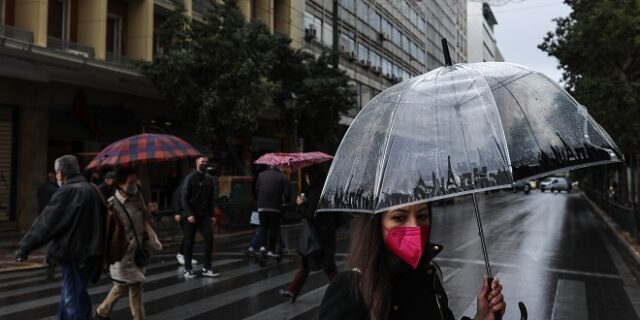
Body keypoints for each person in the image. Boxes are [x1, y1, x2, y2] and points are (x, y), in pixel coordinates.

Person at [319, 203, 506, 320]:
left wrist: (481, 317)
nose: (415, 227)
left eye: (422, 216)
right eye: (399, 217)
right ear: (376, 224)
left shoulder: (430, 274)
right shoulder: (351, 288)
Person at [15, 155, 105, 320]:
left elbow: (46, 223)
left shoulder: (68, 191)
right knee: (70, 294)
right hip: (90, 252)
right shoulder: (91, 189)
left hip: (72, 252)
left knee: (75, 299)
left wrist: (25, 247)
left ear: (60, 174)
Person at [96, 167, 162, 320]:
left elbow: (148, 219)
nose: (134, 184)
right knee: (134, 286)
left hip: (137, 250)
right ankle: (136, 317)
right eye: (130, 182)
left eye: (135, 180)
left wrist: (153, 212)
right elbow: (107, 231)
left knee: (124, 286)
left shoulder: (138, 197)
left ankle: (103, 311)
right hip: (122, 253)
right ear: (120, 184)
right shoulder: (113, 204)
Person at [280, 167, 337, 302]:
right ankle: (292, 290)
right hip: (322, 234)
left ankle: (343, 293)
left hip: (319, 236)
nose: (305, 178)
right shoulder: (324, 188)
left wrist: (300, 205)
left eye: (306, 176)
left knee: (328, 267)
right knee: (307, 264)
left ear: (312, 176)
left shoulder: (316, 191)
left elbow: (310, 215)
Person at [181, 156, 219, 278]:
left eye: (206, 162)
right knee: (189, 241)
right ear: (196, 162)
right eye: (202, 161)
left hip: (204, 215)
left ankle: (207, 267)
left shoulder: (209, 179)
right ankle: (188, 268)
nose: (205, 163)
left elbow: (211, 199)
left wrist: (212, 214)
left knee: (209, 239)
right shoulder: (190, 178)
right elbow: (184, 198)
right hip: (191, 215)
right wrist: (189, 214)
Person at [255, 165, 290, 258]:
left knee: (262, 226)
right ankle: (271, 250)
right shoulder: (283, 177)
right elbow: (287, 194)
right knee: (273, 228)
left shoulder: (261, 175)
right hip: (275, 207)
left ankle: (262, 247)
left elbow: (256, 190)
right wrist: (286, 201)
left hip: (261, 206)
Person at [37, 172, 59, 281]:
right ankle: (50, 264)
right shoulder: (55, 189)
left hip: (42, 215)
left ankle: (49, 262)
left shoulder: (42, 187)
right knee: (52, 242)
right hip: (52, 217)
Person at [172, 177, 198, 266]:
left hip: (190, 214)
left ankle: (187, 256)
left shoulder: (191, 189)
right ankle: (182, 255)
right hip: (184, 215)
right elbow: (176, 200)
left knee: (190, 236)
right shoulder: (181, 189)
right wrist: (177, 212)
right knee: (188, 236)